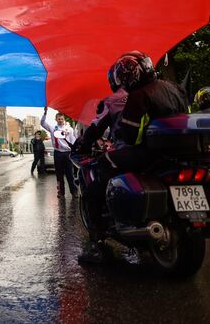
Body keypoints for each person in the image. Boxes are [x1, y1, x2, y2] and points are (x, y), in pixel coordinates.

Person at [79, 50, 187, 264]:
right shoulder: (173, 88)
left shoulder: (139, 95)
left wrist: (114, 139)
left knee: (99, 170)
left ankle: (97, 242)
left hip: (148, 152)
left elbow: (130, 134)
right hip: (177, 152)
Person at [77, 64, 128, 153]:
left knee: (101, 163)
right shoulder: (143, 93)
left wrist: (85, 144)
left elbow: (97, 127)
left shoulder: (112, 100)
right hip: (152, 152)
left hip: (126, 150)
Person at [40, 108, 77, 198]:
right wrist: (45, 112)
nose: (60, 120)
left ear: (63, 119)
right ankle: (61, 192)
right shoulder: (53, 128)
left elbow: (73, 141)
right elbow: (42, 123)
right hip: (58, 153)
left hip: (67, 153)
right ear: (56, 120)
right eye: (59, 119)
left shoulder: (69, 129)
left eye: (62, 119)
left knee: (70, 174)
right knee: (59, 174)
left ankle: (73, 192)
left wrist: (74, 150)